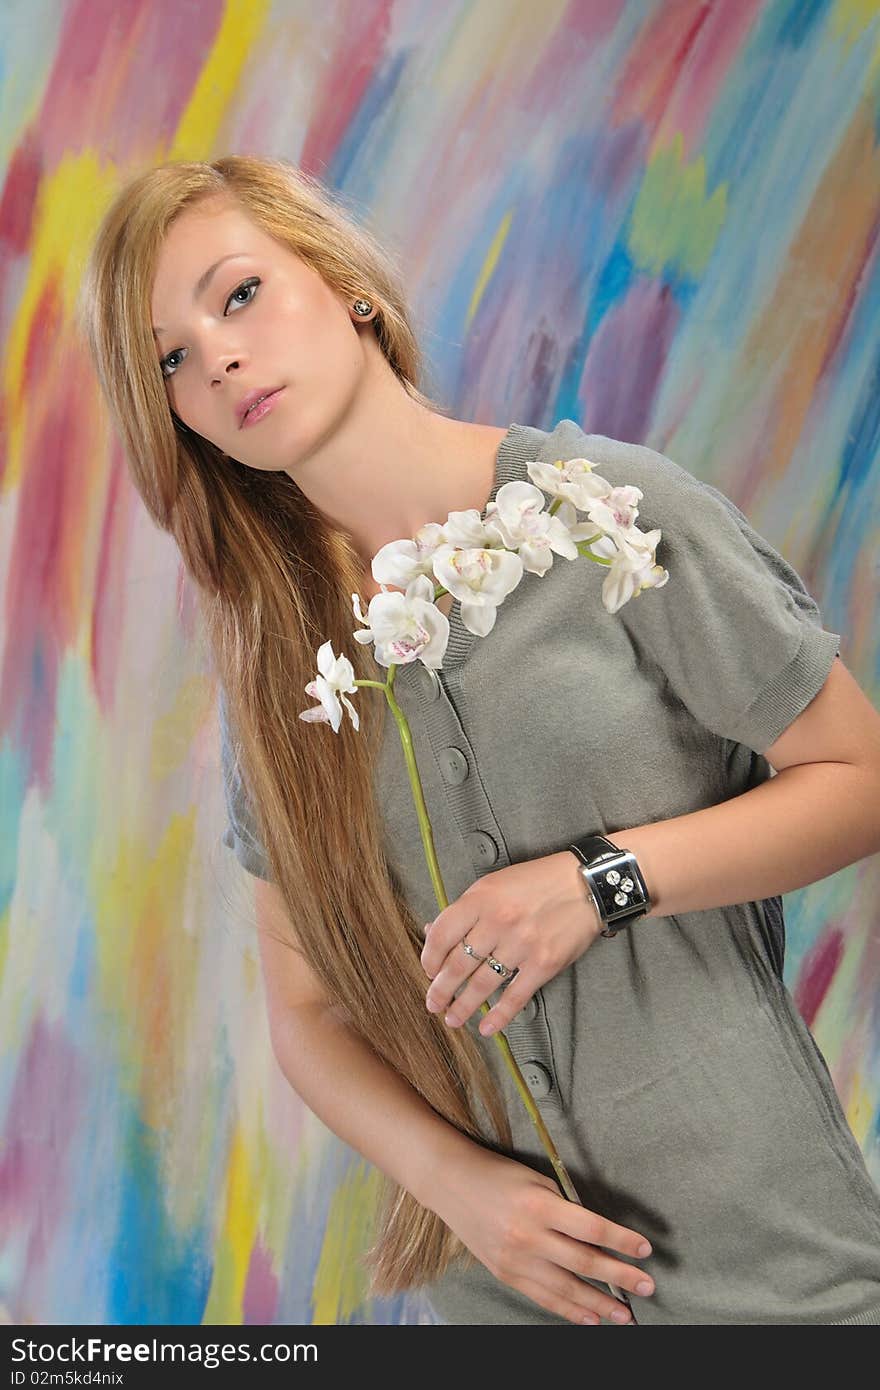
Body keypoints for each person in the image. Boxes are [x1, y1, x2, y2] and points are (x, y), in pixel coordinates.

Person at [77, 154, 880, 1326]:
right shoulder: (285, 685)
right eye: (170, 362)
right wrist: (461, 1192)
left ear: (344, 282)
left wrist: (601, 881)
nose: (219, 357)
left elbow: (856, 778)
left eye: (236, 294)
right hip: (502, 1294)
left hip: (778, 1266)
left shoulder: (608, 514)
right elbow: (303, 1011)